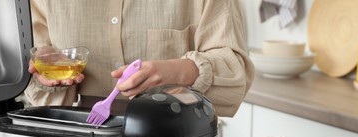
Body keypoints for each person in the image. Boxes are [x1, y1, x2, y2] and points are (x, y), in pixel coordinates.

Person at [25, 0, 254, 117]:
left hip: (176, 136)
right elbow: (34, 66)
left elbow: (234, 73)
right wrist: (42, 69)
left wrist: (175, 71)